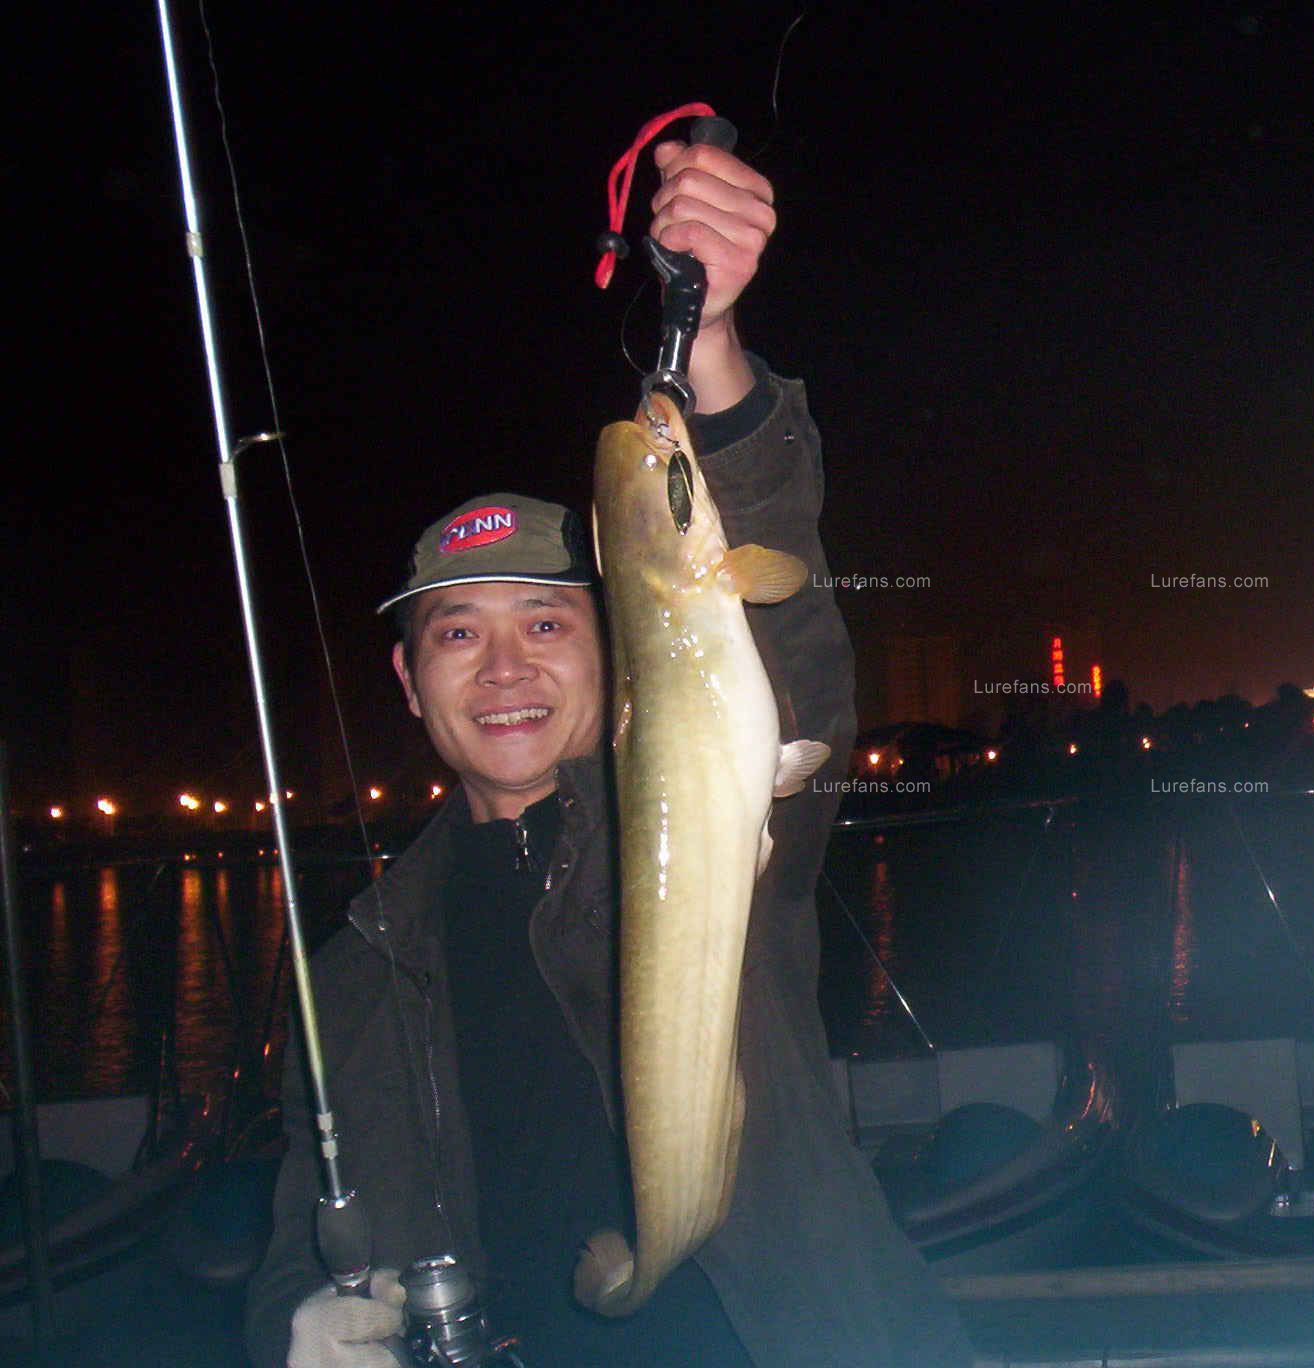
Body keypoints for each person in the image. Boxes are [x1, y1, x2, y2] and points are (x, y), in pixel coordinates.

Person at [245, 136, 975, 1367]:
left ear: (618, 652)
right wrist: (292, 1328)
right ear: (409, 683)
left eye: (546, 623)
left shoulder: (715, 819)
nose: (506, 667)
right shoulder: (359, 965)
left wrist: (712, 347)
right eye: (458, 634)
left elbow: (782, 637)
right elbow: (307, 1232)